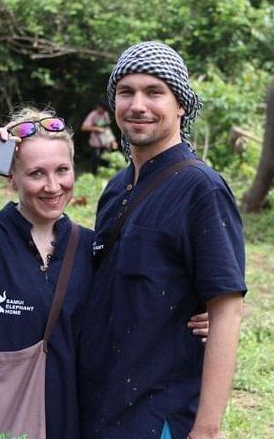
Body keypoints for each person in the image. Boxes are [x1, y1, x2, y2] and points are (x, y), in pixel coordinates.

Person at [0, 107, 210, 438]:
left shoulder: (90, 248)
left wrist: (194, 316)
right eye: (36, 173)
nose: (52, 186)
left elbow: (139, 305)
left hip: (67, 422)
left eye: (62, 170)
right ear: (12, 177)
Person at [79, 41, 247, 439]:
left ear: (181, 105)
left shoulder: (201, 189)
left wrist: (206, 429)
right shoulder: (116, 188)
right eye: (126, 92)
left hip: (159, 413)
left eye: (155, 92)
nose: (138, 105)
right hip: (100, 404)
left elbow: (226, 310)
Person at [81, 100, 118, 174]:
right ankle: (94, 174)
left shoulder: (105, 114)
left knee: (107, 157)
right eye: (102, 109)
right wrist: (96, 128)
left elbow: (107, 127)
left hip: (105, 139)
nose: (103, 111)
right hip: (95, 140)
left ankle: (106, 174)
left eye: (104, 110)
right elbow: (84, 127)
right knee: (96, 157)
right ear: (99, 107)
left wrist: (112, 140)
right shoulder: (93, 115)